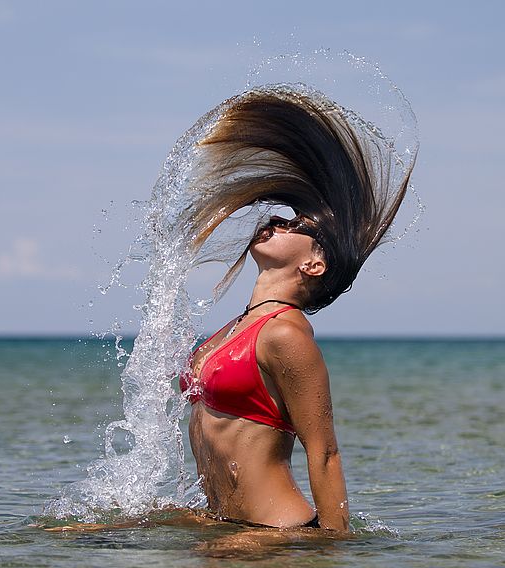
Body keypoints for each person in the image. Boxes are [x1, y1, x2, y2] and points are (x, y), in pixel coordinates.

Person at [178, 86, 416, 532]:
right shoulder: (232, 330)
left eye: (296, 225)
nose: (277, 222)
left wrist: (331, 551)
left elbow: (324, 451)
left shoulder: (285, 335)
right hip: (222, 523)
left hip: (273, 533)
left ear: (314, 262)